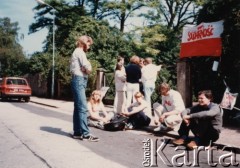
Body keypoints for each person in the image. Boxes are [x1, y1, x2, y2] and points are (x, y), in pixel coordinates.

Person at [70, 35, 99, 142]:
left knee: (78, 107)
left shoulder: (76, 52)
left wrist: (86, 69)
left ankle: (77, 132)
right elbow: (88, 68)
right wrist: (87, 69)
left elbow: (86, 68)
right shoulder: (80, 52)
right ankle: (86, 134)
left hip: (78, 79)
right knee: (82, 107)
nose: (89, 46)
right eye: (88, 44)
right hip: (79, 79)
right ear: (83, 42)